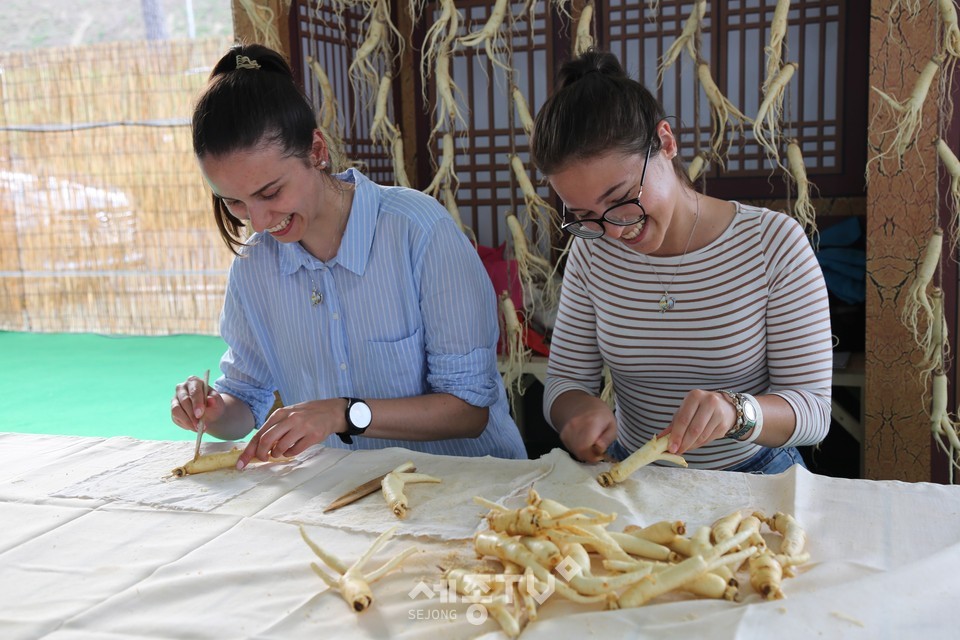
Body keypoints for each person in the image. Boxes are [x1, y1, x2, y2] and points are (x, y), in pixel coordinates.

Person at [170, 43, 526, 467]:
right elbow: (245, 400)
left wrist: (343, 413)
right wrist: (211, 410)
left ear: (317, 151)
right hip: (348, 497)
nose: (259, 223)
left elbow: (468, 411)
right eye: (234, 203)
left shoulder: (417, 231)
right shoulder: (254, 266)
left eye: (271, 193)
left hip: (472, 488)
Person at [529, 50, 832, 473]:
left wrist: (737, 411)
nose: (614, 231)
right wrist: (578, 412)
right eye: (584, 216)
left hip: (754, 474)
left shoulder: (772, 243)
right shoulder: (592, 250)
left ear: (666, 142)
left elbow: (814, 411)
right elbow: (565, 383)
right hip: (633, 472)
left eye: (621, 201)